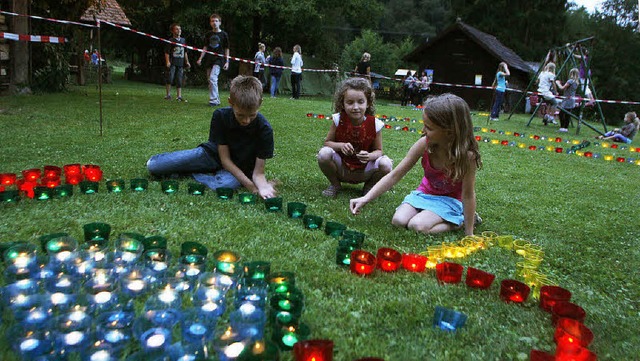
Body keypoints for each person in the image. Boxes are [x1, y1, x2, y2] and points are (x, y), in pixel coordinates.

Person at [350, 93, 482, 236]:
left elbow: (468, 195)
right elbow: (395, 175)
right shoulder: (424, 144)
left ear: (449, 132)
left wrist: (469, 233)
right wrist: (366, 198)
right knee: (398, 221)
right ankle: (437, 216)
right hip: (425, 194)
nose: (423, 131)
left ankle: (460, 220)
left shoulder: (467, 157)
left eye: (429, 128)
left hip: (449, 201)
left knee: (417, 226)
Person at [147, 75, 277, 199]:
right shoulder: (220, 116)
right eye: (240, 115)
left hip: (239, 167)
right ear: (231, 102)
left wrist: (263, 187)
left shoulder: (265, 129)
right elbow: (225, 160)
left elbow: (259, 173)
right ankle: (202, 170)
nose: (246, 121)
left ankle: (191, 172)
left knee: (224, 185)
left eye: (252, 115)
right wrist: (251, 187)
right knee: (154, 166)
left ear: (260, 103)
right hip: (211, 155)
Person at [317, 77, 393, 198]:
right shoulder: (338, 120)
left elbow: (379, 151)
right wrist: (341, 146)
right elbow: (327, 143)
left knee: (386, 164)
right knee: (323, 154)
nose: (355, 107)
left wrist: (369, 156)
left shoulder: (375, 124)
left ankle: (369, 187)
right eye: (350, 102)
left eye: (360, 102)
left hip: (364, 170)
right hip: (341, 167)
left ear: (368, 103)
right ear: (343, 103)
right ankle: (335, 185)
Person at [196, 13, 230, 107]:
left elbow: (227, 48)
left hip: (219, 59)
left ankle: (213, 100)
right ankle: (216, 99)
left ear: (220, 22)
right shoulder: (208, 34)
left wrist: (227, 61)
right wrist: (200, 58)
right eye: (212, 21)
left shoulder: (224, 34)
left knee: (213, 78)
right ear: (210, 23)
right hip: (209, 59)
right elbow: (205, 47)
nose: (214, 23)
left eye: (216, 21)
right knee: (210, 80)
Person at [164, 23, 191, 102]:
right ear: (172, 31)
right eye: (177, 29)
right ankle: (168, 95)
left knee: (179, 79)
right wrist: (168, 61)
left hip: (180, 63)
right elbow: (167, 52)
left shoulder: (183, 40)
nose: (179, 30)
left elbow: (185, 52)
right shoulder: (170, 41)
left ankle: (179, 96)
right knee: (170, 78)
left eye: (180, 29)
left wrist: (187, 62)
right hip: (173, 62)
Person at [555, 68, 579, 132]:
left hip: (567, 100)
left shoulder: (570, 81)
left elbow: (562, 88)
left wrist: (557, 83)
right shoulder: (576, 82)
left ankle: (562, 127)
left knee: (561, 114)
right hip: (572, 99)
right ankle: (565, 128)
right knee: (567, 114)